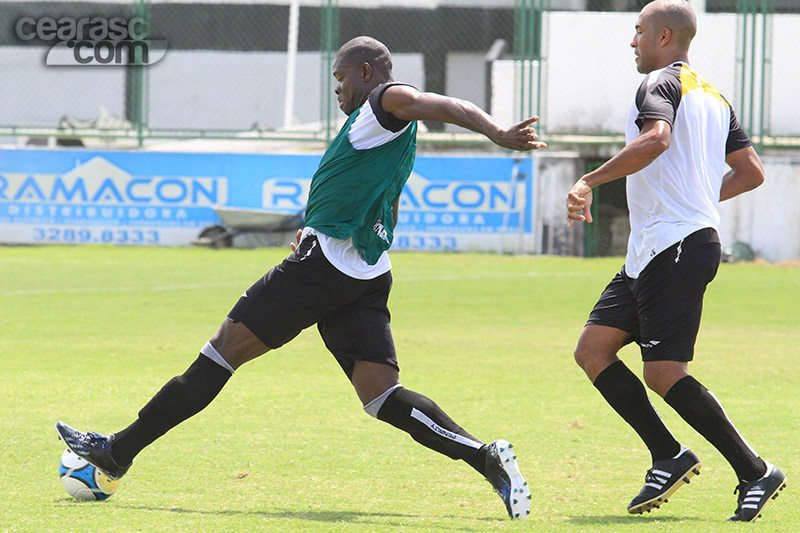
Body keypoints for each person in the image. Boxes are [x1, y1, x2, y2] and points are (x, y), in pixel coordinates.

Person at [56, 36, 546, 519]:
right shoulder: (383, 132)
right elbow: (380, 193)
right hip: (364, 271)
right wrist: (326, 227)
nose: (336, 88)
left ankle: (118, 450)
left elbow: (440, 103)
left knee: (220, 353)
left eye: (340, 77)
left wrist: (496, 132)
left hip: (324, 267)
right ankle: (486, 458)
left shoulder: (385, 101)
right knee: (381, 395)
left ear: (367, 72)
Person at [565, 0, 786, 522]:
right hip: (652, 247)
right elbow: (751, 171)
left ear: (664, 36)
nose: (632, 41)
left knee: (664, 372)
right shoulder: (711, 93)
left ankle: (755, 470)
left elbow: (655, 139)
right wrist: (701, 202)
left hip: (678, 244)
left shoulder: (658, 84)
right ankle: (668, 455)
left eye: (638, 31)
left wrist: (589, 179)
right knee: (594, 350)